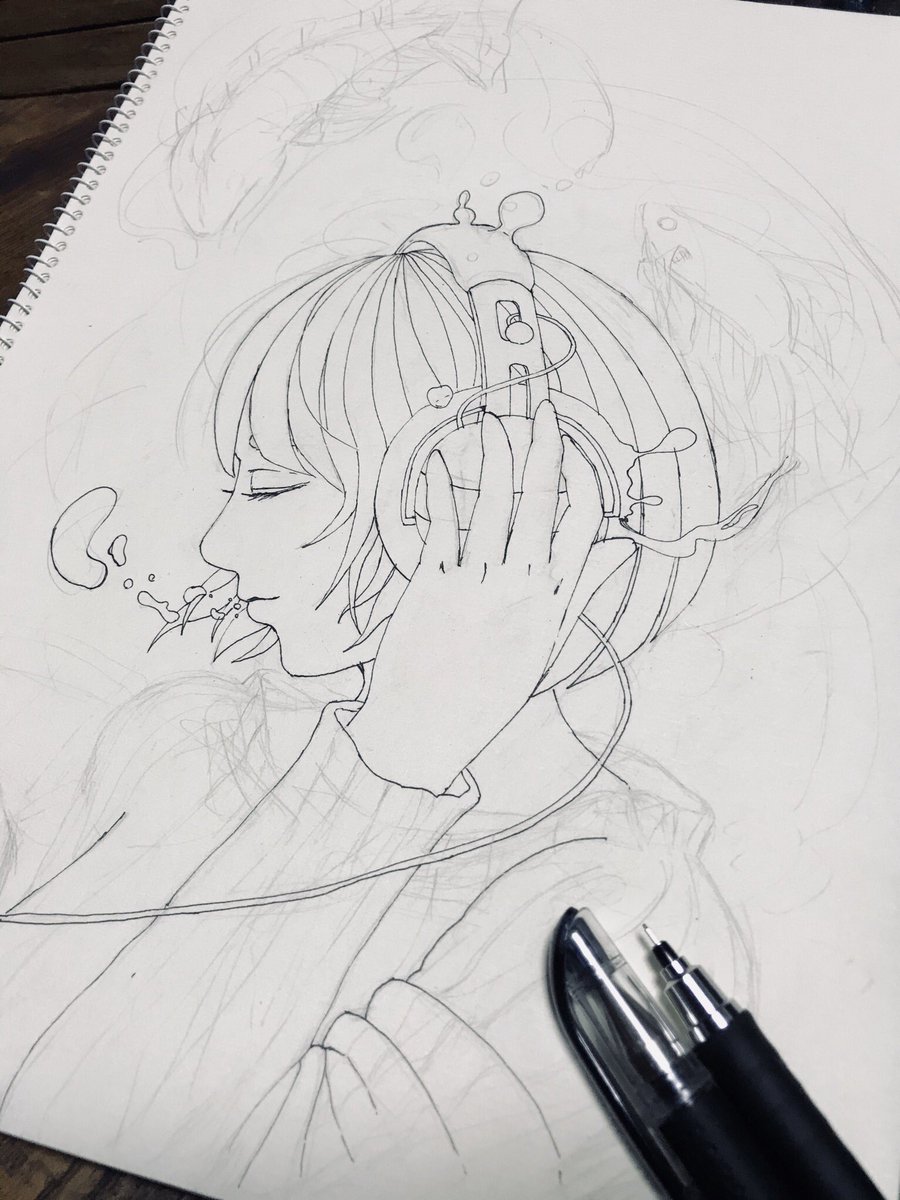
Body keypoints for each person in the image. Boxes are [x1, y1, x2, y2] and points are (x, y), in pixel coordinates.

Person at [0, 240, 744, 1200]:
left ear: (474, 503)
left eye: (270, 485)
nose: (218, 542)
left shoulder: (609, 900)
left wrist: (395, 763)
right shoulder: (183, 740)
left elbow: (164, 1130)